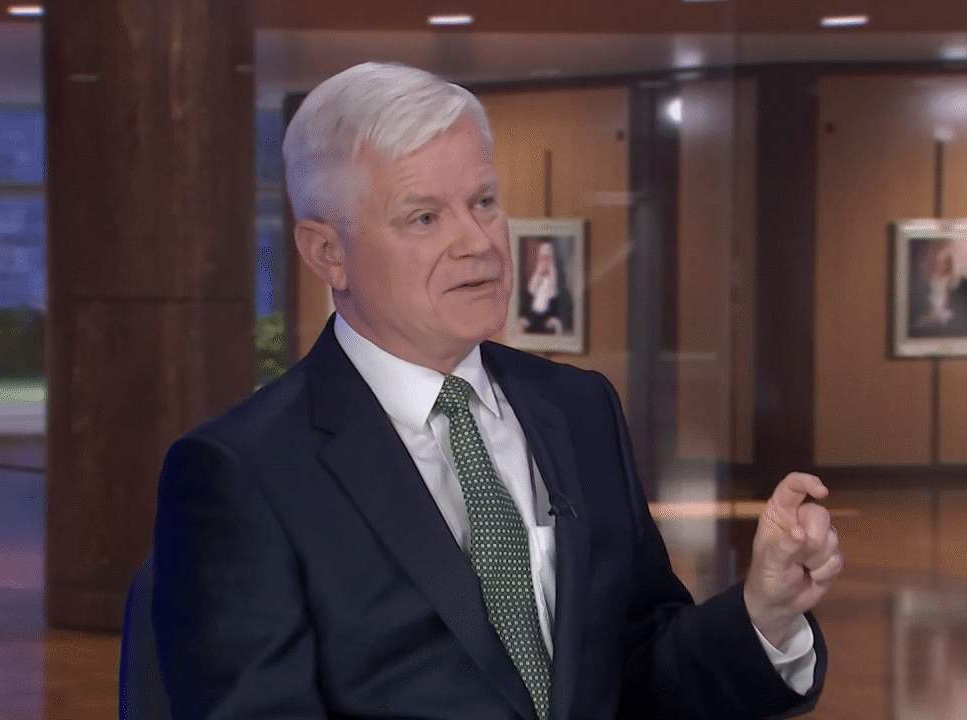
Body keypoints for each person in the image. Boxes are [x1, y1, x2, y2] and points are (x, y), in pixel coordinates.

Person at [141, 62, 842, 720]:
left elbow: (637, 666)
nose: (478, 242)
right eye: (424, 217)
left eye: (483, 202)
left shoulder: (580, 408)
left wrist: (764, 613)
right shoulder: (243, 473)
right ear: (328, 253)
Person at [519, 239, 573, 334]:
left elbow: (565, 319)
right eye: (541, 258)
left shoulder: (562, 293)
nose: (544, 262)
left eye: (547, 258)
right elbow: (524, 312)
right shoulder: (531, 288)